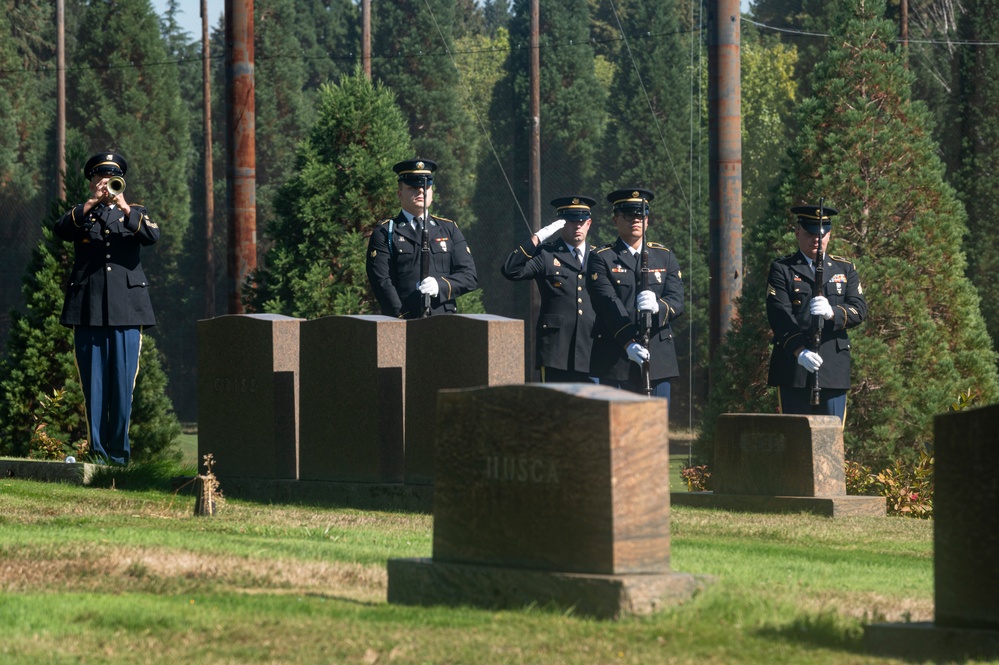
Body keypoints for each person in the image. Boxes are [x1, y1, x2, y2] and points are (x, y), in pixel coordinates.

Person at [54, 152, 159, 465]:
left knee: (122, 384)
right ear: (91, 182)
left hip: (127, 312)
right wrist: (91, 204)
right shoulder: (82, 214)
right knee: (94, 385)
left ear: (120, 181)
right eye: (100, 179)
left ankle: (119, 454)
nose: (105, 185)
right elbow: (61, 230)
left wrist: (124, 206)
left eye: (111, 179)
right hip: (89, 310)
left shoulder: (135, 212)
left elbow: (152, 236)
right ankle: (97, 452)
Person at [766, 204, 867, 421]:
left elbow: (859, 309)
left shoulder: (844, 269)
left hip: (832, 367)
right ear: (797, 233)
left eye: (821, 234)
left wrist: (833, 312)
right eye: (810, 233)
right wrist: (799, 351)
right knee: (796, 436)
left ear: (829, 235)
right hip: (794, 367)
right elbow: (779, 314)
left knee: (830, 441)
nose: (816, 240)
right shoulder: (783, 268)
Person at [587, 188, 684, 398]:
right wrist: (628, 343)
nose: (636, 220)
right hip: (616, 357)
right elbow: (607, 303)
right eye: (628, 215)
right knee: (618, 428)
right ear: (615, 220)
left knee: (655, 427)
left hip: (658, 357)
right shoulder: (601, 258)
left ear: (647, 220)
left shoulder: (664, 256)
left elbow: (677, 300)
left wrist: (659, 306)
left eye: (641, 215)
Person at [501, 195, 598, 383]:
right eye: (570, 221)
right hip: (556, 350)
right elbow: (511, 270)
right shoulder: (546, 254)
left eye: (581, 221)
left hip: (591, 347)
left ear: (589, 223)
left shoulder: (598, 256)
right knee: (557, 408)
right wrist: (537, 238)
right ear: (561, 224)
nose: (576, 226)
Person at [366, 158, 478, 319]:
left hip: (443, 321)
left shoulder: (449, 229)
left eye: (426, 186)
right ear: (400, 193)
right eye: (413, 187)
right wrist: (400, 319)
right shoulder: (387, 231)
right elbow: (382, 281)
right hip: (404, 319)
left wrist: (440, 286)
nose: (420, 191)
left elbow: (469, 276)